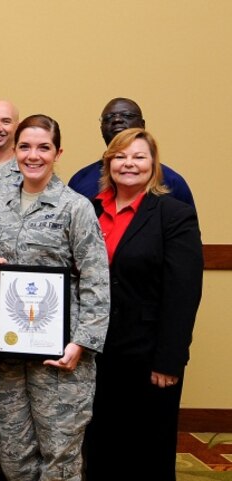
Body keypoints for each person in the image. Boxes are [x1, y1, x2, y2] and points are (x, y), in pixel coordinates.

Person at [0, 114, 110, 481]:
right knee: (13, 457)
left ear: (58, 153)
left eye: (43, 147)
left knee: (60, 458)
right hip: (6, 360)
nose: (32, 155)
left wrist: (82, 343)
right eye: (25, 147)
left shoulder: (75, 207)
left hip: (60, 358)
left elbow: (96, 280)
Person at [84, 128, 203, 481]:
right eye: (120, 156)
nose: (129, 164)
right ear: (108, 163)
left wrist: (169, 359)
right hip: (97, 354)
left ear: (154, 164)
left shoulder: (173, 214)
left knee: (148, 452)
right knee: (101, 446)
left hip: (149, 357)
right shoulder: (89, 210)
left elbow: (184, 293)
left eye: (139, 156)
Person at [68, 97, 195, 206]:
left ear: (142, 124)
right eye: (108, 118)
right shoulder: (80, 179)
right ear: (101, 128)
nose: (117, 120)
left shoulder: (172, 181)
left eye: (127, 116)